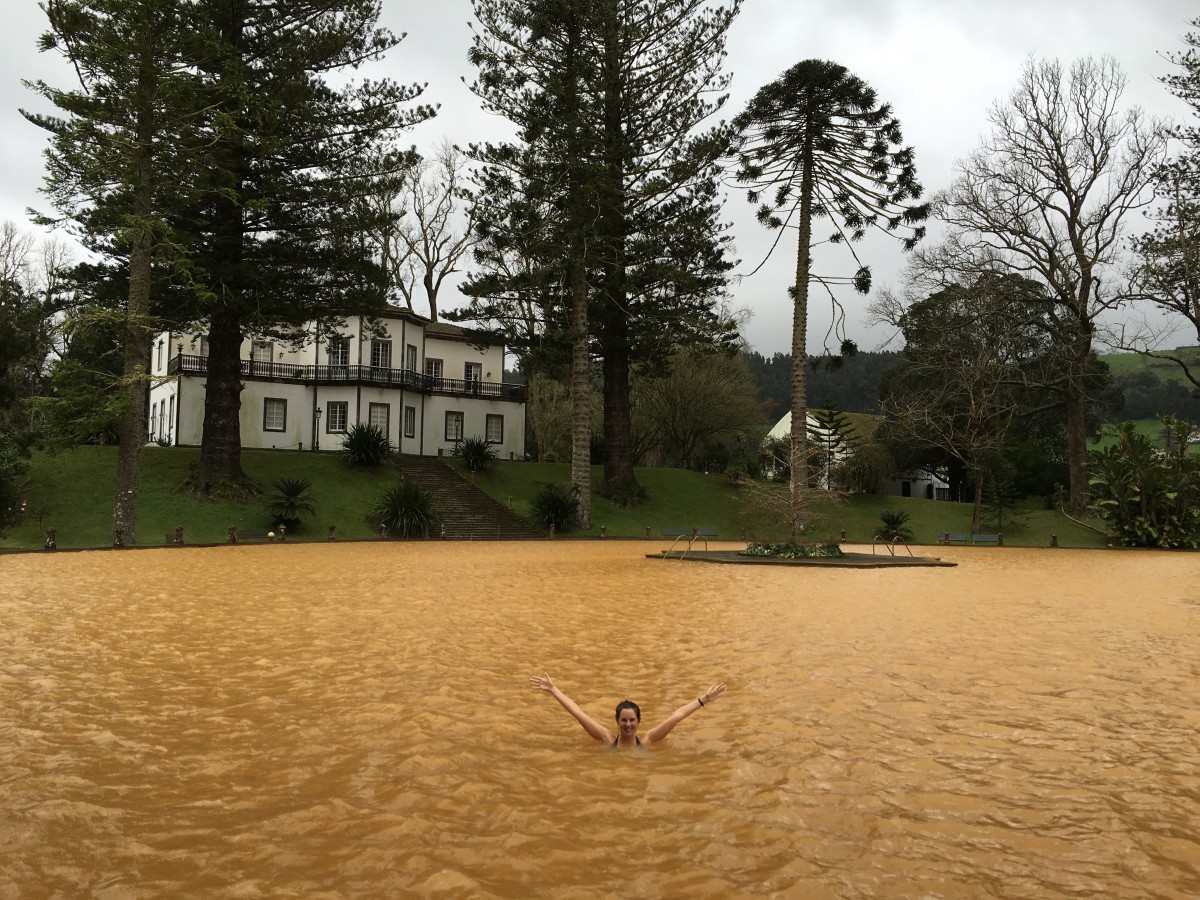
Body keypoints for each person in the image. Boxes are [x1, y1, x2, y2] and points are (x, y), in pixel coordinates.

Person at [529, 674, 726, 749]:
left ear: (638, 721)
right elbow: (577, 712)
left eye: (632, 720)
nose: (628, 725)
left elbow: (677, 716)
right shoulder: (607, 739)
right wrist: (554, 690)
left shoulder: (648, 740)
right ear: (617, 721)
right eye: (624, 720)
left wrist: (704, 699)